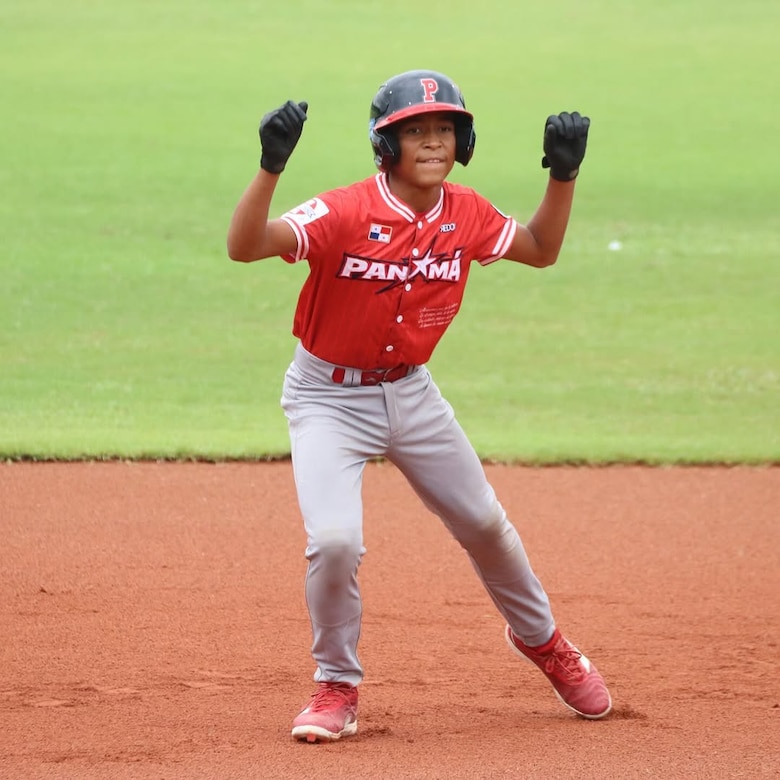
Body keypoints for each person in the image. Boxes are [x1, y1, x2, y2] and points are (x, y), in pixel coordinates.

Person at [227, 69, 612, 743]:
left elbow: (541, 251)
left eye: (443, 129)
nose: (432, 142)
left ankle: (544, 642)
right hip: (327, 398)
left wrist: (563, 178)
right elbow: (246, 246)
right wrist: (269, 168)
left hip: (412, 393)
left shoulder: (466, 212)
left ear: (461, 140)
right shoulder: (343, 210)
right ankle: (336, 684)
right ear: (386, 145)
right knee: (336, 542)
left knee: (485, 524)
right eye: (416, 131)